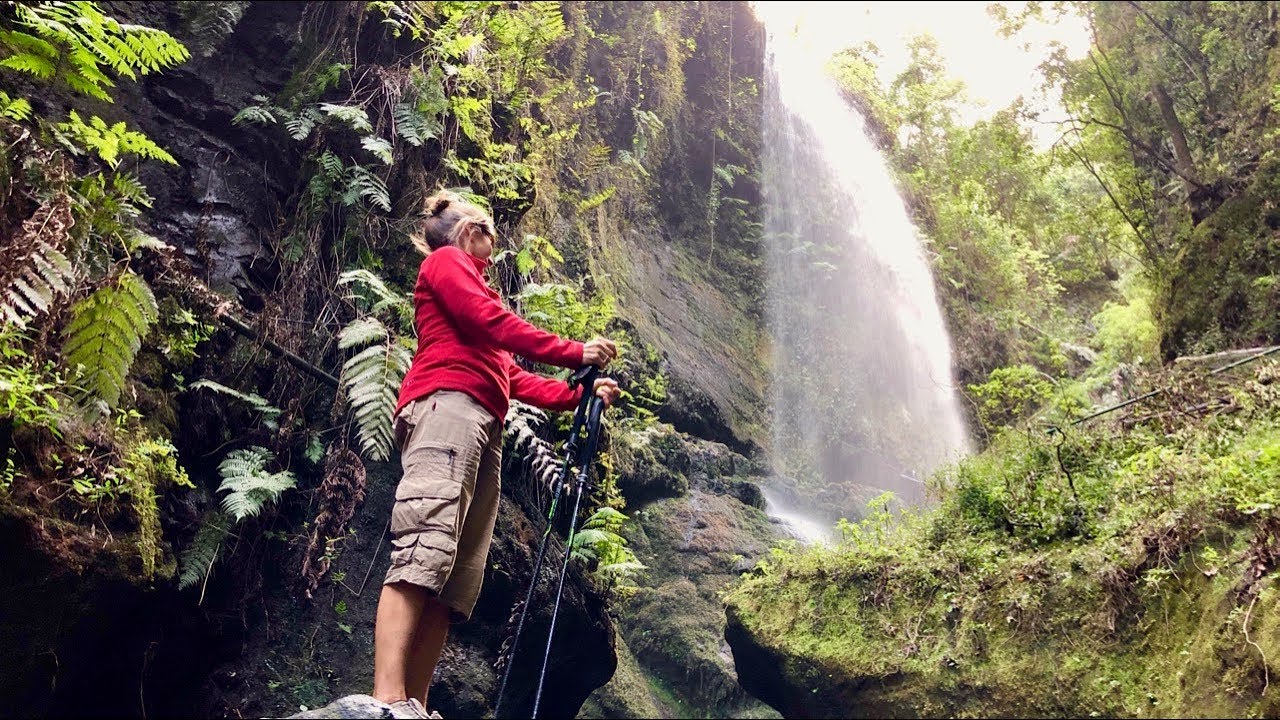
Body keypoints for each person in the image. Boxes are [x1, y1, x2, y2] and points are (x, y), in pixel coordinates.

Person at [370, 190, 621, 719]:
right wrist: (574, 350)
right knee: (422, 548)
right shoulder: (446, 264)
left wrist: (581, 394)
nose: (494, 242)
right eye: (488, 230)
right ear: (466, 232)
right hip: (447, 409)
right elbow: (493, 322)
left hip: (483, 422)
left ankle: (414, 704)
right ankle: (386, 699)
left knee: (455, 578)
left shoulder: (474, 296)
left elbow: (513, 378)